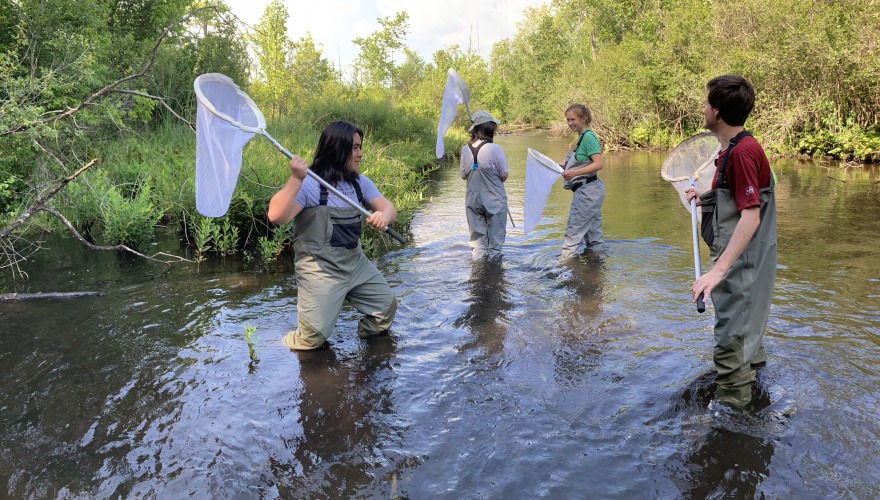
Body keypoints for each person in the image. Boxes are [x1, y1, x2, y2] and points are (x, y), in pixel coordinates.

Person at [685, 75, 777, 408]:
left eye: (707, 102)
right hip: (742, 266)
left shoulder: (743, 153)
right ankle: (754, 390)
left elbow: (751, 216)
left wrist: (716, 272)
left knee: (730, 342)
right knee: (746, 337)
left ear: (718, 113)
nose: (704, 108)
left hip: (742, 268)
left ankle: (732, 426)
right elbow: (736, 198)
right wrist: (705, 196)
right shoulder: (731, 150)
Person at [268, 120, 398, 350]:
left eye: (360, 147)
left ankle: (367, 353)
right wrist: (295, 179)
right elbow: (276, 215)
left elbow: (388, 207)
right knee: (312, 340)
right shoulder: (309, 184)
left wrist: (384, 216)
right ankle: (275, 346)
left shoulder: (359, 183)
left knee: (385, 308)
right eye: (354, 148)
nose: (360, 154)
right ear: (337, 149)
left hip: (355, 263)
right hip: (320, 269)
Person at [459, 110, 509, 260]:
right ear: (489, 129)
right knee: (495, 242)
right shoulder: (495, 149)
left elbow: (463, 175)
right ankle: (493, 276)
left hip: (473, 201)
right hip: (494, 201)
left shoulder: (465, 149)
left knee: (478, 244)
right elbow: (504, 175)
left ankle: (479, 276)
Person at [560, 103, 605, 259]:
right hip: (589, 191)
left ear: (583, 118)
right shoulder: (581, 138)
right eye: (568, 120)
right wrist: (563, 166)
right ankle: (596, 270)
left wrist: (574, 173)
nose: (570, 123)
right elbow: (583, 161)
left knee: (572, 234)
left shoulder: (589, 137)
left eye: (573, 119)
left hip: (588, 192)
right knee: (594, 237)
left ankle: (564, 268)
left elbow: (598, 164)